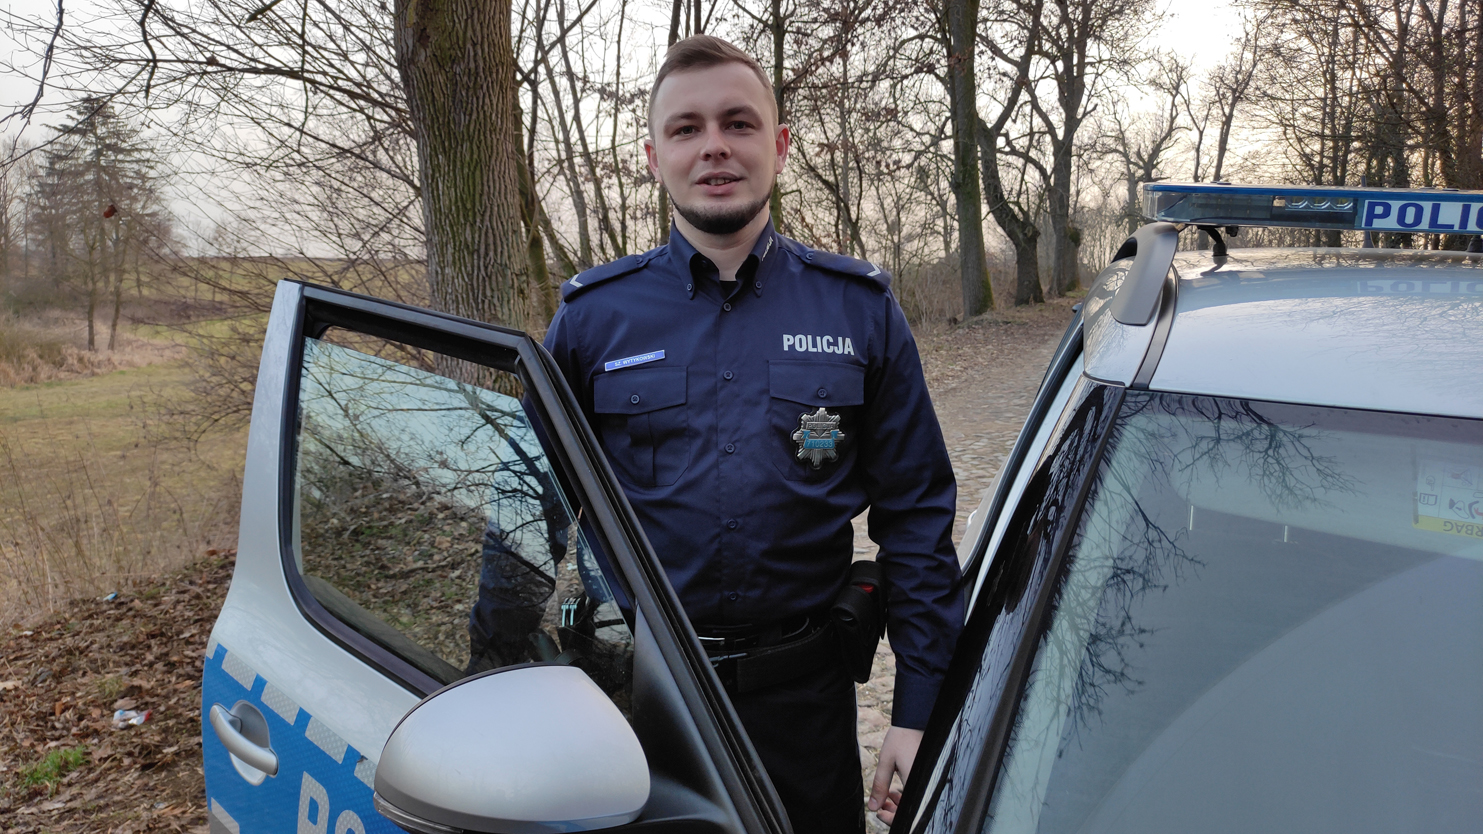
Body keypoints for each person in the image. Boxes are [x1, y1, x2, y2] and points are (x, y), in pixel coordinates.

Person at [542, 34, 963, 834]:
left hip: (805, 712)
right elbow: (528, 520)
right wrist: (490, 681)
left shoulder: (859, 309)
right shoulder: (592, 320)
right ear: (653, 156)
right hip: (641, 704)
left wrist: (919, 708)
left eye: (738, 123)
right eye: (686, 128)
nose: (714, 146)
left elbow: (915, 518)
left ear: (780, 145)